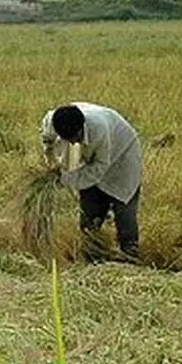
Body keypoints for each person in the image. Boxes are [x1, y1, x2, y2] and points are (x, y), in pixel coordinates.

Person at [39, 102, 142, 260]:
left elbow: (99, 168)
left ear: (82, 128)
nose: (72, 143)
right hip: (91, 159)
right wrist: (51, 162)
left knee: (124, 212)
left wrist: (66, 179)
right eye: (68, 140)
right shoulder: (52, 122)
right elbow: (47, 141)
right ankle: (92, 255)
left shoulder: (99, 129)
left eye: (75, 139)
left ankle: (130, 256)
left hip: (122, 157)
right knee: (90, 213)